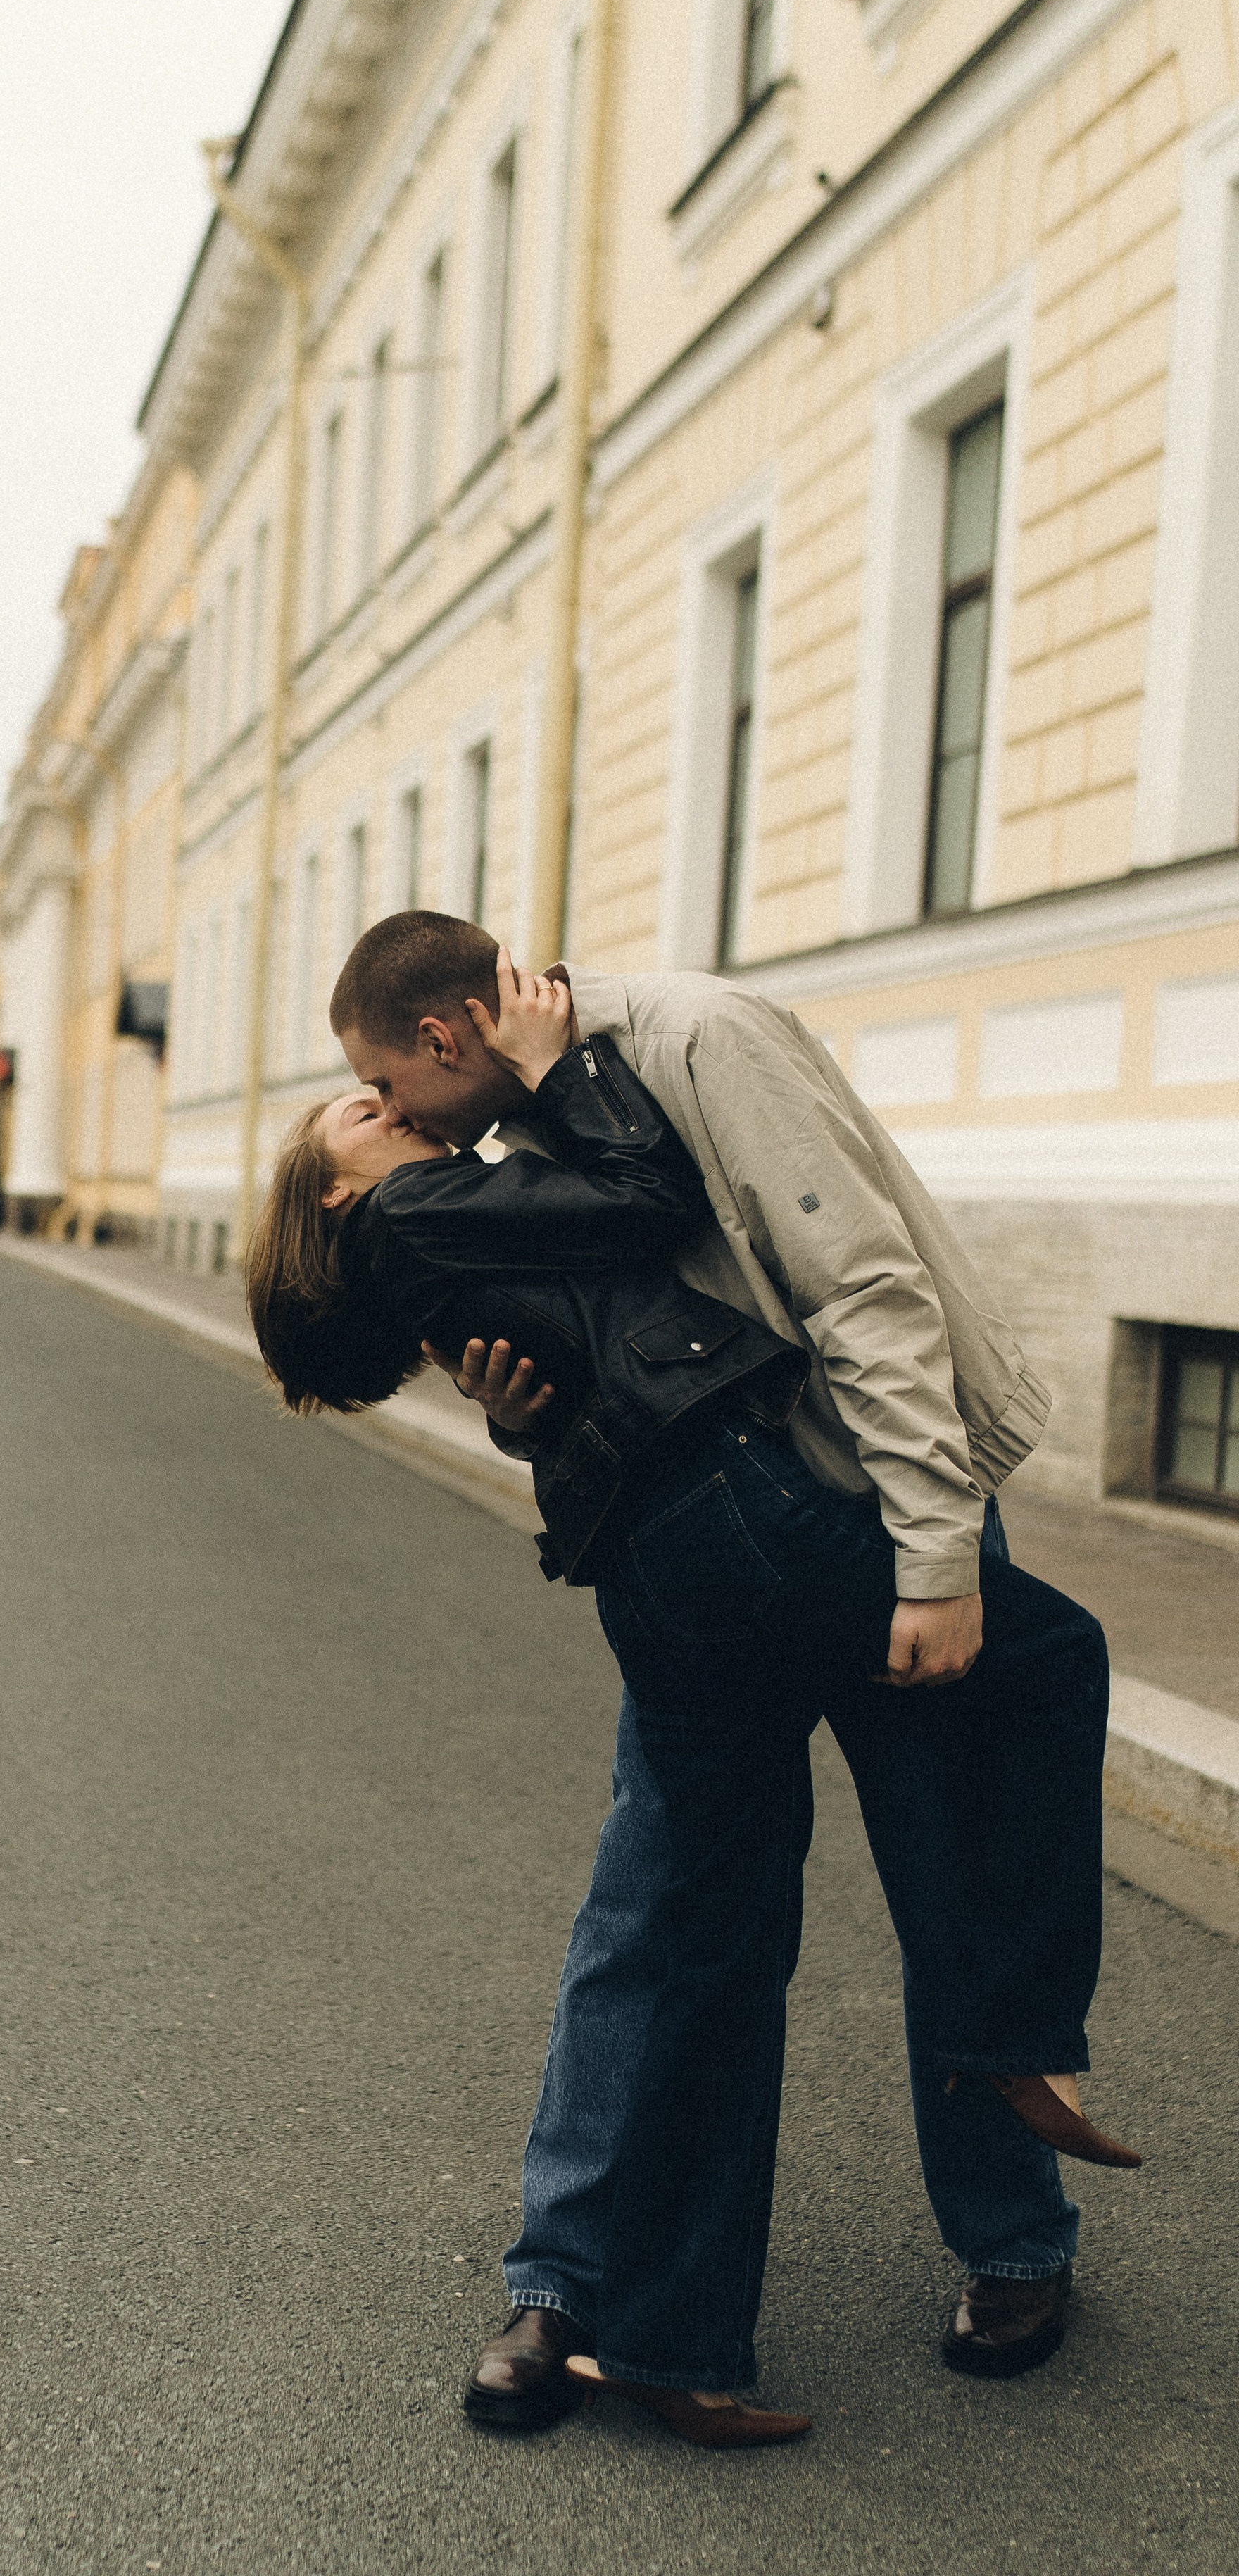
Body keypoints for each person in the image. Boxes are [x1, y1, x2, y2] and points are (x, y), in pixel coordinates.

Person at [289, 919, 1136, 2437]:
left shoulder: (696, 1042)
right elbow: (611, 1344)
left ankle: (1013, 2242)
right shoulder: (501, 1134)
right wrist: (523, 1410)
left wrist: (937, 1551)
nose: (396, 1117)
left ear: (442, 1036)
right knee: (656, 1915)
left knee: (940, 1857)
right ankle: (567, 2282)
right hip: (708, 1544)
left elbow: (864, 1291)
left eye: (385, 1086)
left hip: (875, 1510)